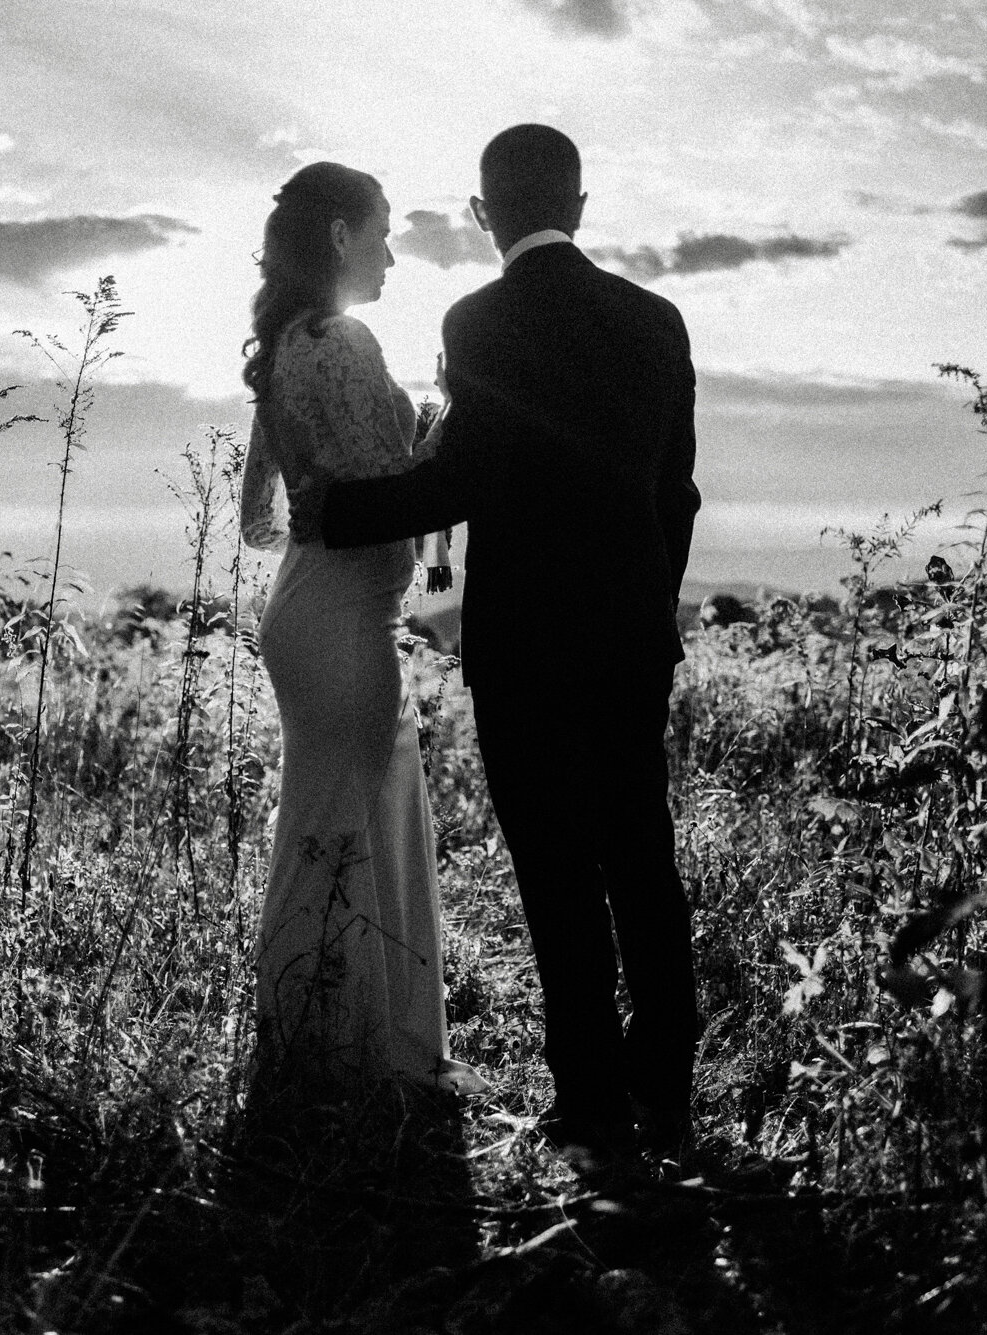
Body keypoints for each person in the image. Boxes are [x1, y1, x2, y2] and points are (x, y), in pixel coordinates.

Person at [290, 125, 702, 1159]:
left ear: (482, 214)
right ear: (581, 201)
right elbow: (676, 492)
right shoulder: (657, 320)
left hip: (523, 640)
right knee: (639, 849)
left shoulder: (478, 320)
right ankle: (665, 1082)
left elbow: (463, 480)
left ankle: (591, 1101)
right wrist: (652, 602)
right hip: (631, 631)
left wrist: (330, 518)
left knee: (554, 863)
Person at [237, 161, 483, 1101]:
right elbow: (392, 496)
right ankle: (350, 1059)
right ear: (341, 235)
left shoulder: (287, 342)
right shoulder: (344, 342)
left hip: (308, 605)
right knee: (345, 820)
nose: (392, 254)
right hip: (343, 618)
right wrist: (445, 421)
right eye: (383, 232)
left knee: (332, 814)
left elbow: (264, 519)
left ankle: (312, 1040)